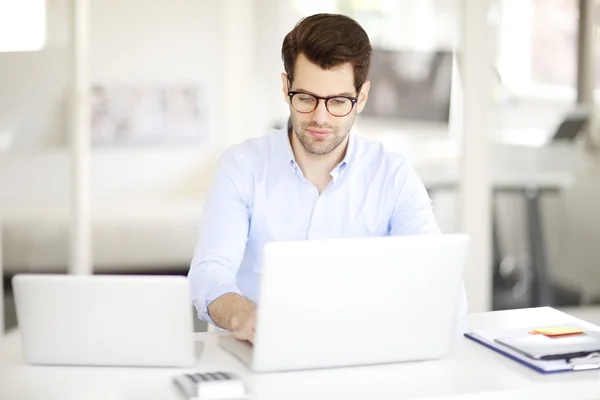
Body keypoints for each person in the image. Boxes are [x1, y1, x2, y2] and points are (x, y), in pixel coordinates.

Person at [188, 13, 467, 343]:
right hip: (253, 351)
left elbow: (443, 285)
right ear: (285, 87)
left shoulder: (393, 175)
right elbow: (209, 272)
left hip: (357, 351)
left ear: (361, 98)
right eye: (305, 98)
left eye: (337, 102)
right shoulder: (241, 166)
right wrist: (241, 314)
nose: (319, 118)